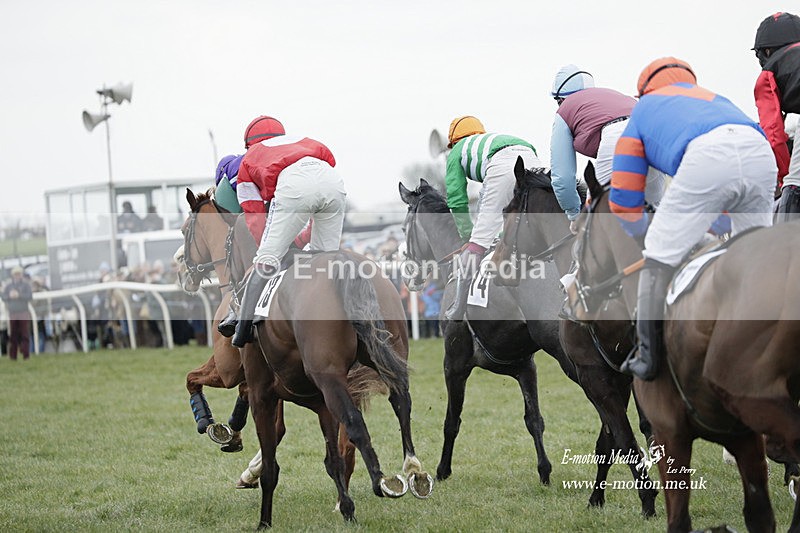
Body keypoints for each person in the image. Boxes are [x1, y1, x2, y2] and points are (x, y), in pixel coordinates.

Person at [610, 57, 776, 380]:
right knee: (756, 258)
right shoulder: (715, 98)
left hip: (707, 157)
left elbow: (624, 200)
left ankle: (647, 356)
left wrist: (646, 233)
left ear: (643, 91)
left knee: (658, 249)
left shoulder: (643, 109)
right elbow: (728, 193)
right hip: (760, 151)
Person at [231, 115, 347, 347]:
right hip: (333, 181)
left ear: (249, 145)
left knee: (265, 260)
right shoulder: (304, 141)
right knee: (325, 262)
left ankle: (242, 331)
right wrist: (304, 239)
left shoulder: (249, 159)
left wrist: (275, 248)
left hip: (295, 186)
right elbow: (320, 190)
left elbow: (255, 218)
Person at [442, 115, 543, 320]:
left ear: (453, 142)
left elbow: (456, 199)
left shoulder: (456, 152)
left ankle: (458, 308)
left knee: (475, 247)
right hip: (532, 158)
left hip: (502, 167)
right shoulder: (494, 140)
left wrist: (469, 237)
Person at [550, 65, 665, 234]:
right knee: (656, 218)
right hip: (651, 136)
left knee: (590, 225)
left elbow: (562, 177)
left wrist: (575, 216)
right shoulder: (613, 95)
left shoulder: (565, 110)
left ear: (561, 99)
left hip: (618, 138)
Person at [752, 11, 800, 220]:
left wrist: (783, 178)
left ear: (767, 51)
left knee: (795, 181)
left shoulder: (769, 72)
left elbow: (773, 135)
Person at [2, 266, 33, 360]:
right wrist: (10, 296)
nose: (17, 276)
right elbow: (4, 297)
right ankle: (13, 356)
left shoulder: (26, 285)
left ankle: (26, 355)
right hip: (13, 312)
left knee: (24, 334)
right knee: (13, 335)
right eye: (15, 274)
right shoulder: (9, 286)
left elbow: (29, 296)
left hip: (23, 311)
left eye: (18, 274)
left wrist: (19, 295)